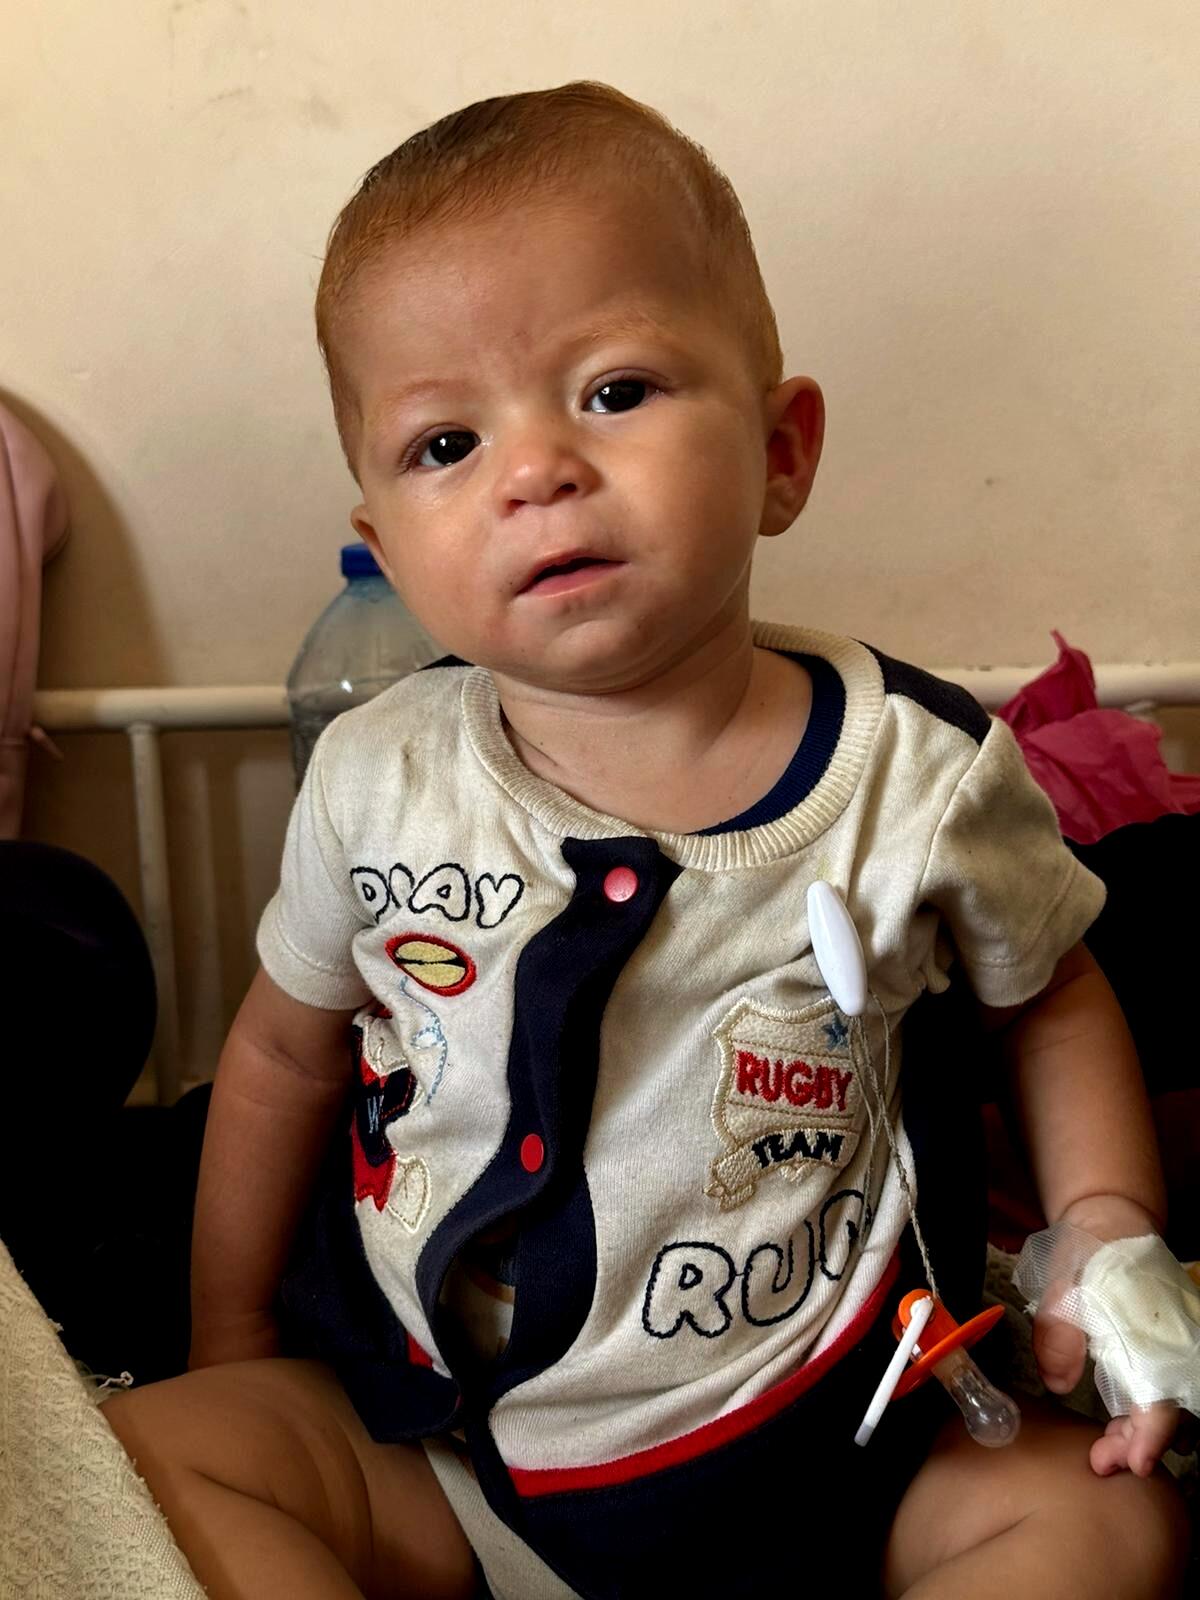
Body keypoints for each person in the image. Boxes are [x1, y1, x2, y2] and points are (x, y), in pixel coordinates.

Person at [104, 82, 1191, 1599]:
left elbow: (1052, 993)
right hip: (448, 1452)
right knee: (148, 1463)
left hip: (835, 1454)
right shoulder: (374, 778)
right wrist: (231, 1342)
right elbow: (286, 1056)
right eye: (442, 444)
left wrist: (1110, 1225)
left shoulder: (915, 774)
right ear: (381, 530)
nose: (531, 468)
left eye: (613, 391)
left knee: (1103, 1527)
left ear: (784, 447)